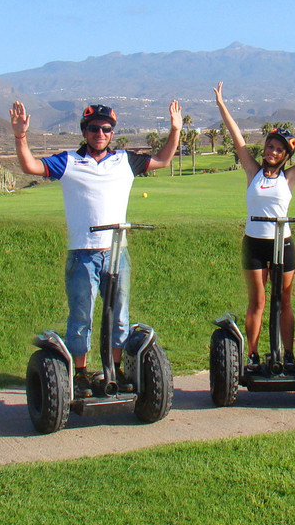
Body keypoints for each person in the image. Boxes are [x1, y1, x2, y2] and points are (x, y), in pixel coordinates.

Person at [10, 99, 182, 397]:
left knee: (119, 316)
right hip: (82, 253)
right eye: (93, 129)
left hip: (117, 253)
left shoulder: (125, 161)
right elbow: (30, 166)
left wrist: (176, 129)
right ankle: (79, 374)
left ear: (112, 132)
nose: (100, 133)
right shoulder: (68, 161)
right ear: (84, 131)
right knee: (81, 317)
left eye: (106, 129)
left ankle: (114, 370)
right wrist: (20, 136)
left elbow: (164, 160)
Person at [214, 83, 295, 372]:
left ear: (286, 155)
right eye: (270, 147)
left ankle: (287, 355)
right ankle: (252, 356)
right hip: (254, 244)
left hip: (282, 244)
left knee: (284, 299)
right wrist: (221, 105)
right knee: (258, 301)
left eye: (279, 149)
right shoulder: (252, 171)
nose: (273, 152)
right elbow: (237, 138)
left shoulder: (289, 177)